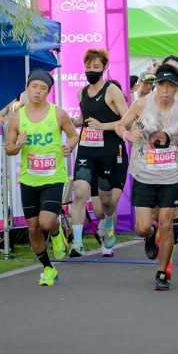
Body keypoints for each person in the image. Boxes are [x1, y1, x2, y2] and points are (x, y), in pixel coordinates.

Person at [119, 64, 178, 290]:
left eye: (170, 86)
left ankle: (162, 272)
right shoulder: (142, 104)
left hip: (170, 176)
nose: (165, 90)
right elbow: (121, 125)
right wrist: (127, 133)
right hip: (144, 173)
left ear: (177, 88)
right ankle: (150, 234)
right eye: (162, 85)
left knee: (167, 224)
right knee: (143, 227)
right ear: (156, 85)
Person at [3, 70, 80, 286]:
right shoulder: (18, 116)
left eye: (42, 88)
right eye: (34, 86)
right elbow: (8, 148)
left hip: (53, 176)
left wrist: (69, 146)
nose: (37, 91)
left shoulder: (58, 113)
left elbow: (74, 134)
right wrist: (18, 145)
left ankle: (56, 232)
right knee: (33, 227)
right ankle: (48, 268)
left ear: (48, 91)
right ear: (27, 88)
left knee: (46, 222)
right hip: (29, 178)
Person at [70, 48, 129, 257]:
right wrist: (69, 124)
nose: (91, 70)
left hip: (111, 152)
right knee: (79, 192)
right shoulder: (81, 92)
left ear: (104, 68)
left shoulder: (112, 90)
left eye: (96, 67)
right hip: (87, 151)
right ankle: (77, 244)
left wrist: (102, 126)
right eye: (88, 66)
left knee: (105, 203)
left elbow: (127, 119)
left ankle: (109, 225)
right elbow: (83, 120)